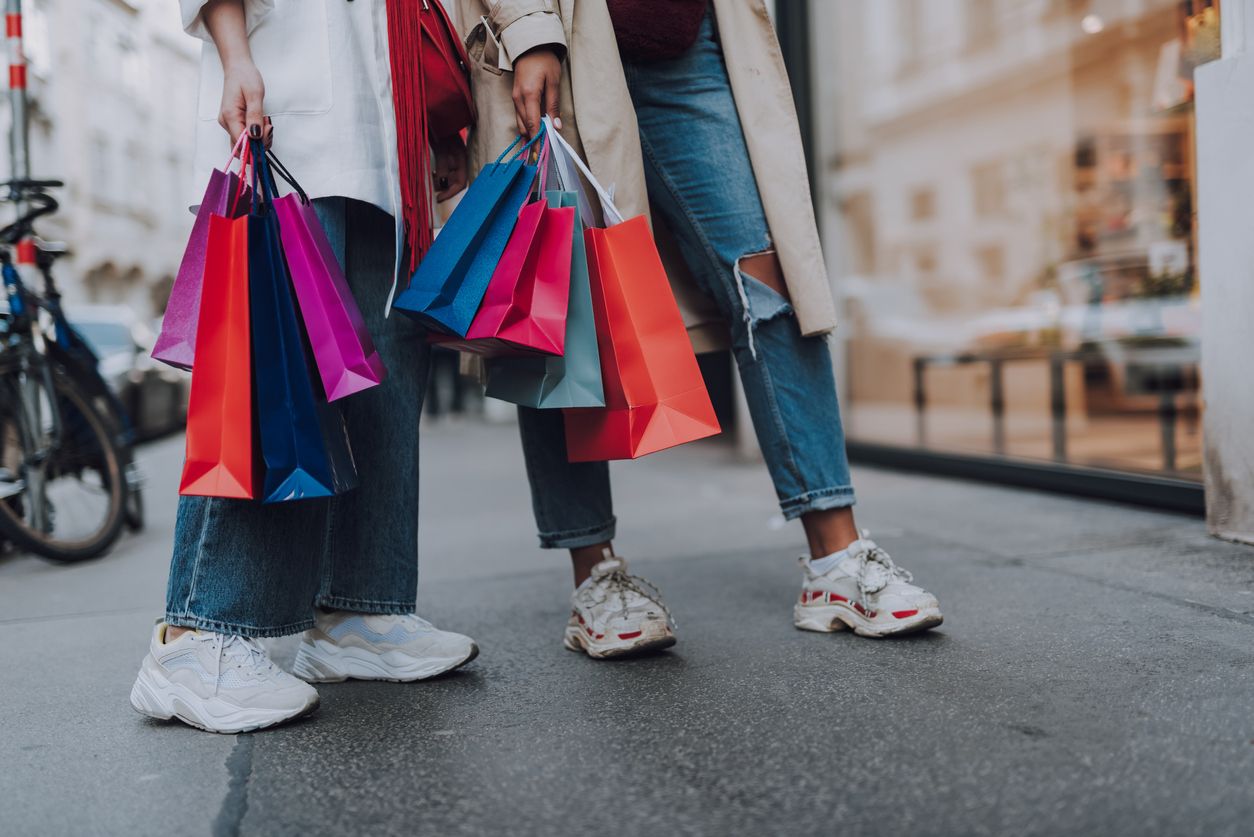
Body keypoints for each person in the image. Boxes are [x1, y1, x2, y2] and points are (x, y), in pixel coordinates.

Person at [454, 0, 943, 657]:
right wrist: (529, 30)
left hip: (690, 45)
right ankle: (594, 570)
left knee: (767, 279)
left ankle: (837, 557)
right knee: (555, 297)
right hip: (567, 37)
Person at [130, 0, 477, 734]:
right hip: (285, 97)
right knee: (273, 368)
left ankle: (361, 607)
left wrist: (437, 117)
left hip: (384, 130)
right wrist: (233, 55)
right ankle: (199, 636)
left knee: (384, 370)